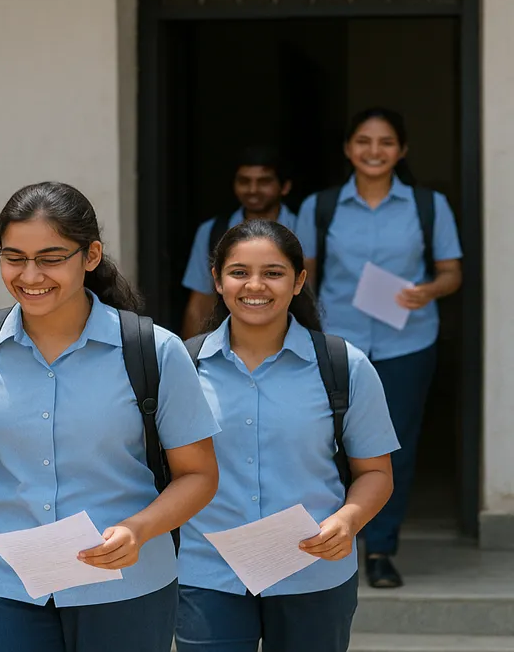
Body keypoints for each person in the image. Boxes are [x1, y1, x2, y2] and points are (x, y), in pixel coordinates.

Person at [0, 181, 221, 652]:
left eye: (51, 257)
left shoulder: (154, 352)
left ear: (91, 255)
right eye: (14, 257)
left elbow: (199, 475)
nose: (30, 274)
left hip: (125, 585)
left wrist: (139, 529)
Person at [174, 219, 398, 652]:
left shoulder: (344, 366)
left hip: (314, 570)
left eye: (273, 273)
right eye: (239, 272)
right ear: (217, 280)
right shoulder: (181, 369)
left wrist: (347, 521)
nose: (255, 285)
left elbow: (375, 472)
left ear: (298, 282)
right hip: (207, 574)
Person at [296, 107, 462, 588]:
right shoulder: (320, 207)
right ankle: (328, 539)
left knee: (396, 447)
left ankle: (381, 551)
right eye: (363, 141)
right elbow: (302, 278)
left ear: (402, 150)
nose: (374, 151)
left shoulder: (428, 206)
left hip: (406, 342)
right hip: (337, 344)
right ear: (348, 149)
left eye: (385, 142)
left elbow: (452, 273)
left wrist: (429, 290)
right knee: (327, 445)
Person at [182, 146, 298, 339]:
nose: (253, 190)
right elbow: (201, 301)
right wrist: (190, 358)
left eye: (264, 182)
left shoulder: (303, 227)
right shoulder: (213, 231)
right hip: (228, 343)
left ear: (284, 186)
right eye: (244, 181)